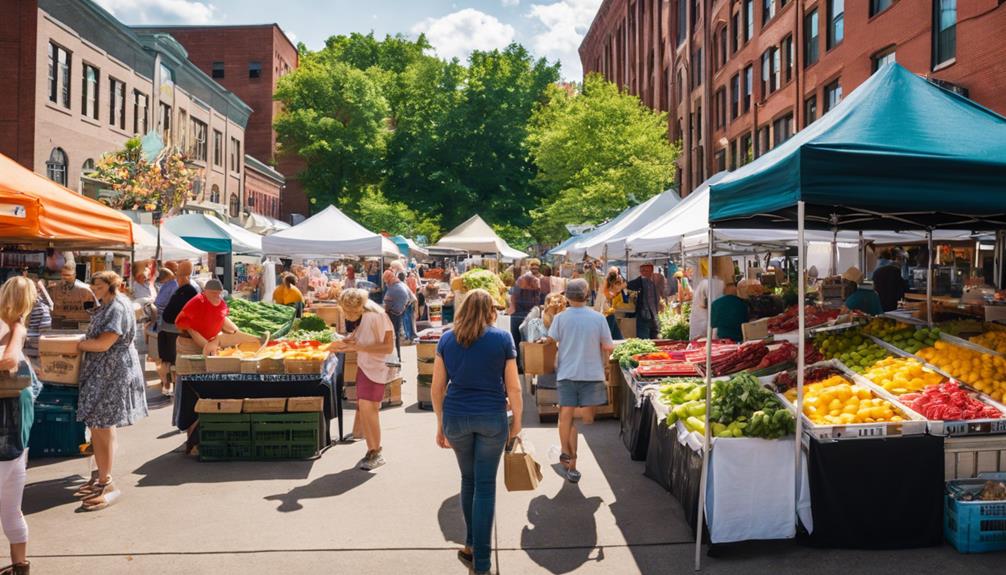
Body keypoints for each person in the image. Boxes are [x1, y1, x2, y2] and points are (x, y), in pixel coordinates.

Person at [431, 289, 522, 575]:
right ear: (490, 311)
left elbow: (437, 388)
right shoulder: (502, 338)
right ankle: (482, 562)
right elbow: (514, 387)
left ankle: (471, 545)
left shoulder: (447, 339)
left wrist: (439, 423)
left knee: (468, 480)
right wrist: (517, 419)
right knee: (485, 486)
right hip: (491, 417)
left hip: (456, 417)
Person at [75, 271, 148, 511]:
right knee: (103, 425)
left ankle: (106, 482)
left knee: (101, 424)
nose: (93, 288)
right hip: (107, 369)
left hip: (110, 371)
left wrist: (76, 344)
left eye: (98, 284)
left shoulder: (116, 307)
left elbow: (104, 344)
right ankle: (101, 477)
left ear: (110, 285)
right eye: (92, 284)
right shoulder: (112, 304)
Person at [546, 279, 614, 483]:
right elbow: (608, 346)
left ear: (567, 297)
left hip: (567, 371)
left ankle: (566, 447)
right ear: (587, 296)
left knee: (571, 415)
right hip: (591, 373)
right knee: (585, 417)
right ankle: (569, 460)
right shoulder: (598, 318)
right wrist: (607, 363)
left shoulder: (560, 318)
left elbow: (551, 339)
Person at [0, 277, 42, 575]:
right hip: (13, 435)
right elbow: (10, 361)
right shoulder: (12, 329)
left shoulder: (9, 329)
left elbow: (9, 362)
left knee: (11, 508)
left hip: (9, 434)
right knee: (12, 508)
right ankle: (19, 568)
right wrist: (18, 331)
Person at [330, 288, 395, 470]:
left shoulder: (378, 315)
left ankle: (376, 451)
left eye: (352, 312)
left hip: (377, 368)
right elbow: (362, 339)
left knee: (369, 408)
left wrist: (358, 346)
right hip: (366, 366)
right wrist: (345, 344)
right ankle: (372, 449)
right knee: (367, 409)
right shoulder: (367, 313)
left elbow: (387, 347)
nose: (349, 315)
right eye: (347, 311)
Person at [156, 261, 198, 397]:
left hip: (175, 331)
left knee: (169, 361)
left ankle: (169, 387)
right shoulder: (193, 289)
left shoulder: (186, 289)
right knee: (173, 361)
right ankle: (171, 387)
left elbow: (161, 305)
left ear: (184, 276)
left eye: (179, 275)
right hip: (177, 330)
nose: (177, 278)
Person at [174, 279, 240, 357]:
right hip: (190, 346)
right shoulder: (197, 302)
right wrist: (209, 346)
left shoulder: (220, 302)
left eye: (219, 293)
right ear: (206, 291)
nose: (217, 295)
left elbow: (222, 319)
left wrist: (238, 334)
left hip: (208, 344)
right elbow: (188, 327)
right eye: (214, 293)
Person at [508, 271, 542, 377]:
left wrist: (511, 309)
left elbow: (512, 298)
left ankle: (519, 367)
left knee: (516, 341)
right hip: (529, 315)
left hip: (518, 316)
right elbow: (537, 299)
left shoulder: (519, 283)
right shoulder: (535, 282)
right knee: (529, 341)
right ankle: (527, 366)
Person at [689, 261, 725, 340]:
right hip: (704, 322)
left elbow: (711, 305)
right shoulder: (713, 283)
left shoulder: (706, 283)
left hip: (704, 322)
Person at [627, 264, 664, 340]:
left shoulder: (653, 282)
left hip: (653, 316)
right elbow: (628, 287)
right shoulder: (637, 282)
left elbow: (656, 297)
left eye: (646, 270)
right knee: (644, 339)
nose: (643, 272)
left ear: (651, 271)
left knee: (654, 338)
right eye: (642, 270)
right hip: (643, 315)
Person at [382, 270, 411, 359]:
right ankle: (397, 356)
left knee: (390, 335)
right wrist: (402, 308)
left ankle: (393, 357)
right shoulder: (399, 284)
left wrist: (386, 311)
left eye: (386, 280)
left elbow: (387, 301)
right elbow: (408, 298)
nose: (386, 283)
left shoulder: (393, 287)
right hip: (398, 313)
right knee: (396, 334)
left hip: (392, 314)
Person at [595, 267, 624, 340]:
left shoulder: (606, 283)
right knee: (608, 338)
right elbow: (605, 298)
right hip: (605, 316)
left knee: (617, 338)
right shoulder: (606, 285)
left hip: (608, 315)